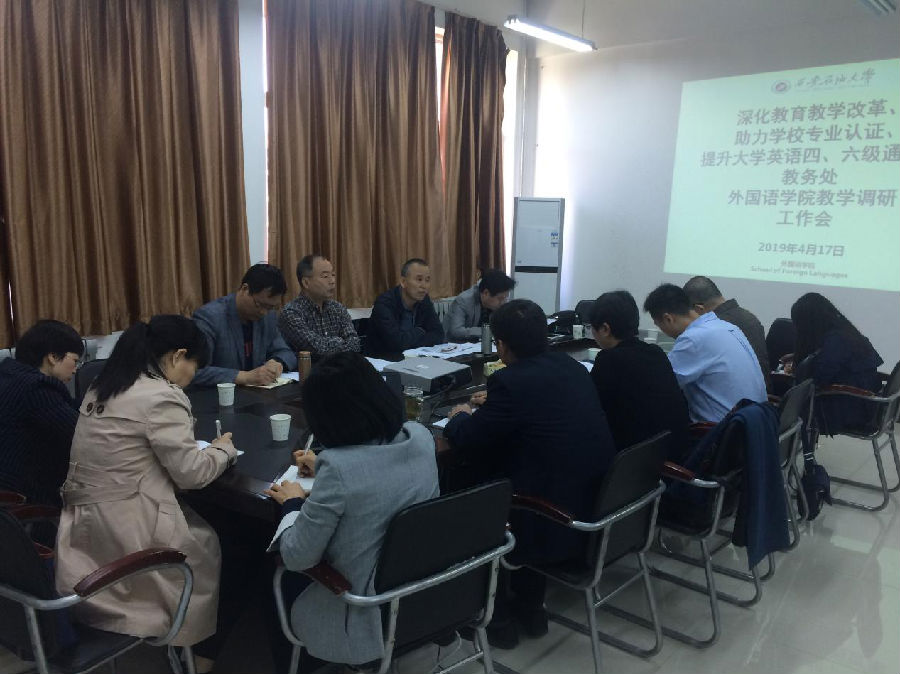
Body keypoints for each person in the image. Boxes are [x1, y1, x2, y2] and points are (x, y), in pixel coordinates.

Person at [54, 316, 238, 673]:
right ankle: (196, 650)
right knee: (218, 541)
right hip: (130, 530)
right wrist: (223, 450)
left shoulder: (102, 386)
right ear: (178, 355)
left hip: (83, 527)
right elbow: (193, 474)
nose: (193, 375)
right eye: (194, 365)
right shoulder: (161, 396)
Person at [443, 299, 616, 649]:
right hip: (592, 504)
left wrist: (459, 415)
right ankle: (531, 610)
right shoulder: (571, 368)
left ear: (502, 346)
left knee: (467, 486)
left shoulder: (510, 382)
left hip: (549, 517)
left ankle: (497, 621)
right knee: (522, 471)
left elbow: (470, 437)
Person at [265, 352, 439, 666]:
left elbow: (297, 556)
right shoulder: (421, 438)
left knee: (274, 573)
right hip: (423, 590)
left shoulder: (339, 470)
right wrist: (324, 465)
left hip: (364, 607)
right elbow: (378, 471)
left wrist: (293, 503)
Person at [589, 291, 691, 459]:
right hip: (674, 451)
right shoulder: (656, 353)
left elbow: (592, 412)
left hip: (636, 462)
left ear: (605, 329)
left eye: (592, 328)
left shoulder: (609, 360)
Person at [643, 284, 766, 423]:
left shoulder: (693, 339)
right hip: (755, 422)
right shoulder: (727, 326)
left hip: (722, 430)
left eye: (659, 325)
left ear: (668, 319)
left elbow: (658, 383)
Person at [0, 320, 83, 506]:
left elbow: (64, 407)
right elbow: (80, 435)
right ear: (53, 357)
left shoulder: (9, 374)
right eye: (75, 361)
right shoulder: (37, 389)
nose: (76, 369)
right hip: (22, 498)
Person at [790, 292, 883, 434]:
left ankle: (787, 439)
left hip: (850, 409)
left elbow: (818, 379)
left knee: (792, 401)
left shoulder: (836, 341)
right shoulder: (846, 333)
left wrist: (801, 368)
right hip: (867, 404)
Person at [192, 263, 297, 386]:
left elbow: (286, 352)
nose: (263, 312)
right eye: (260, 304)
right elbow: (194, 371)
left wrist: (277, 362)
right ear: (245, 289)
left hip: (258, 394)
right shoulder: (209, 317)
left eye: (271, 307)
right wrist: (244, 377)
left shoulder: (269, 317)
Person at [683, 276, 771, 388]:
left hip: (735, 393)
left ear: (698, 309)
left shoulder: (714, 327)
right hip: (761, 391)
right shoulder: (749, 316)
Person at [278, 255, 360, 357]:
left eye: (333, 275)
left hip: (341, 365)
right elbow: (316, 349)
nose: (332, 281)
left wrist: (332, 344)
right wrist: (340, 341)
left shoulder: (337, 308)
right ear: (306, 283)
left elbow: (355, 344)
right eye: (325, 276)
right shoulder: (292, 313)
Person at [366, 258, 444, 354]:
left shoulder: (424, 300)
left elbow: (439, 334)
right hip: (383, 359)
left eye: (427, 280)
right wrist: (420, 331)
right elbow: (396, 343)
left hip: (414, 356)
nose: (424, 286)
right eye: (419, 279)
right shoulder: (384, 303)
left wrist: (408, 340)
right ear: (403, 282)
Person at [444, 269, 515, 341]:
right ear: (486, 293)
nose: (503, 302)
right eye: (500, 298)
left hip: (481, 344)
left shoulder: (498, 304)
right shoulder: (464, 300)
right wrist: (487, 331)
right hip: (455, 344)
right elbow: (456, 331)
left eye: (506, 297)